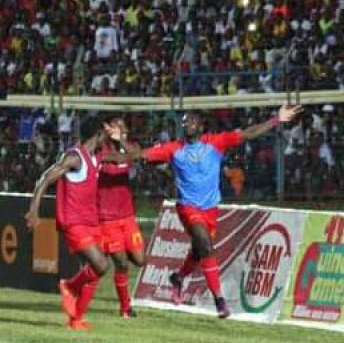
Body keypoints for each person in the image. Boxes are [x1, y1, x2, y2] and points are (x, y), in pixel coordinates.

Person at [111, 105, 303, 318]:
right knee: (205, 243)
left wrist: (277, 119)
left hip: (210, 209)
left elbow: (248, 133)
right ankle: (219, 300)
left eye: (191, 121)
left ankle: (178, 277)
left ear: (201, 126)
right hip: (188, 207)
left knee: (199, 249)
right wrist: (120, 140)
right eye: (184, 122)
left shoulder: (216, 143)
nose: (187, 125)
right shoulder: (174, 148)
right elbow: (140, 155)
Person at [25, 118, 117, 331]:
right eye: (105, 134)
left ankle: (75, 319)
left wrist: (120, 140)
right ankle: (69, 286)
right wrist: (34, 210)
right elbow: (46, 179)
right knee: (101, 265)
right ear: (98, 135)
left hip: (91, 221)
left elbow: (126, 157)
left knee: (93, 271)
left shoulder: (97, 157)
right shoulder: (75, 157)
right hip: (75, 223)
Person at [98, 117, 145, 319]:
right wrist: (117, 151)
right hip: (107, 218)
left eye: (123, 130)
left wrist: (122, 143)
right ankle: (125, 307)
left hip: (127, 216)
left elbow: (138, 155)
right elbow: (112, 160)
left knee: (140, 260)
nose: (121, 132)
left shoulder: (130, 147)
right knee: (122, 263)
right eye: (118, 128)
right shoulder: (99, 150)